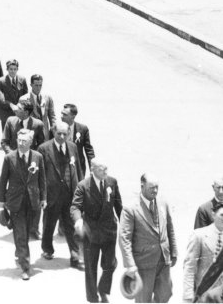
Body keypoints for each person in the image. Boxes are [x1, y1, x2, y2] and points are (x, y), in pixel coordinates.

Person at [71, 159, 123, 303]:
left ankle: (103, 289)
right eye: (101, 170)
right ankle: (93, 298)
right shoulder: (83, 186)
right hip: (91, 233)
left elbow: (118, 205)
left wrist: (125, 225)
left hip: (109, 231)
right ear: (92, 169)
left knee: (110, 264)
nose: (105, 172)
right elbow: (75, 206)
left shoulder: (112, 182)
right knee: (91, 268)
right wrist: (78, 220)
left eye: (106, 169)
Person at [0, 128, 47, 281]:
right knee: (20, 234)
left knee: (27, 232)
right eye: (19, 141)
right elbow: (3, 180)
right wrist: (1, 200)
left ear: (31, 142)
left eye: (24, 141)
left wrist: (43, 198)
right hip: (15, 202)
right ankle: (26, 267)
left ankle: (19, 254)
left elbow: (42, 180)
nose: (21, 143)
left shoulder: (38, 157)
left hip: (32, 201)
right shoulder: (9, 158)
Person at [120, 174, 177, 303]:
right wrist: (130, 265)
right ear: (142, 186)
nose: (155, 191)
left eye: (157, 187)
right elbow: (124, 238)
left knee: (166, 294)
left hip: (163, 260)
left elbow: (170, 228)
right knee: (143, 299)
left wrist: (174, 252)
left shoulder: (163, 202)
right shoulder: (131, 209)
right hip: (143, 264)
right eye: (151, 188)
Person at [38, 122, 82, 268]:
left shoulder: (73, 147)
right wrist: (43, 196)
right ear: (53, 132)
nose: (62, 136)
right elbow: (41, 175)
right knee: (49, 225)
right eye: (59, 134)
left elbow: (79, 170)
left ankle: (75, 255)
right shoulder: (44, 149)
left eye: (65, 134)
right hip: (52, 195)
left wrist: (81, 193)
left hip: (70, 195)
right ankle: (47, 249)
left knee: (71, 226)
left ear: (69, 133)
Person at [182, 201, 223, 302]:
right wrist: (188, 296)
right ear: (213, 215)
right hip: (202, 293)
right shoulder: (199, 235)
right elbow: (189, 267)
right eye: (222, 215)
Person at [60, 103, 95, 176]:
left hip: (78, 168)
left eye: (65, 115)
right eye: (61, 114)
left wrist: (93, 168)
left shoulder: (83, 129)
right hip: (61, 168)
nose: (61, 116)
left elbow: (89, 150)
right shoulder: (56, 129)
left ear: (73, 116)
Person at [19, 74, 56, 141]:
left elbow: (52, 116)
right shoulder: (24, 99)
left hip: (45, 132)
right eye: (36, 85)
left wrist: (54, 129)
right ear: (31, 85)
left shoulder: (47, 98)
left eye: (40, 85)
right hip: (31, 132)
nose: (38, 88)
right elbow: (21, 118)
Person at [0, 59, 28, 130]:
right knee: (7, 137)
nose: (13, 71)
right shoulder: (1, 81)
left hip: (20, 114)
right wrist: (11, 105)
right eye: (11, 69)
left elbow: (26, 96)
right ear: (7, 69)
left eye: (15, 69)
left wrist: (21, 104)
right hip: (6, 115)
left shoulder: (22, 79)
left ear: (17, 69)